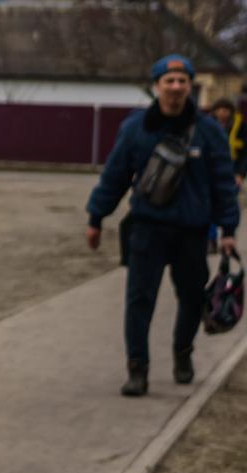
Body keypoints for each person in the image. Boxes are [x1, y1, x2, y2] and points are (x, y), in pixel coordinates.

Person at [86, 54, 239, 396]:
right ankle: (137, 369)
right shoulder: (136, 129)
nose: (175, 87)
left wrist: (228, 230)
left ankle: (182, 353)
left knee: (190, 297)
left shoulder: (209, 131)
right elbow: (115, 175)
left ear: (190, 86)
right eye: (168, 81)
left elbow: (223, 183)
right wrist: (96, 217)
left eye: (182, 81)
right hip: (147, 229)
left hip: (192, 232)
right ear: (156, 86)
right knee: (139, 300)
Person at [207, 97, 246, 186]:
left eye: (225, 110)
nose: (222, 112)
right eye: (219, 109)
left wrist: (240, 174)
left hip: (232, 167)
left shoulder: (241, 127)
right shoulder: (207, 126)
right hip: (211, 168)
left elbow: (244, 154)